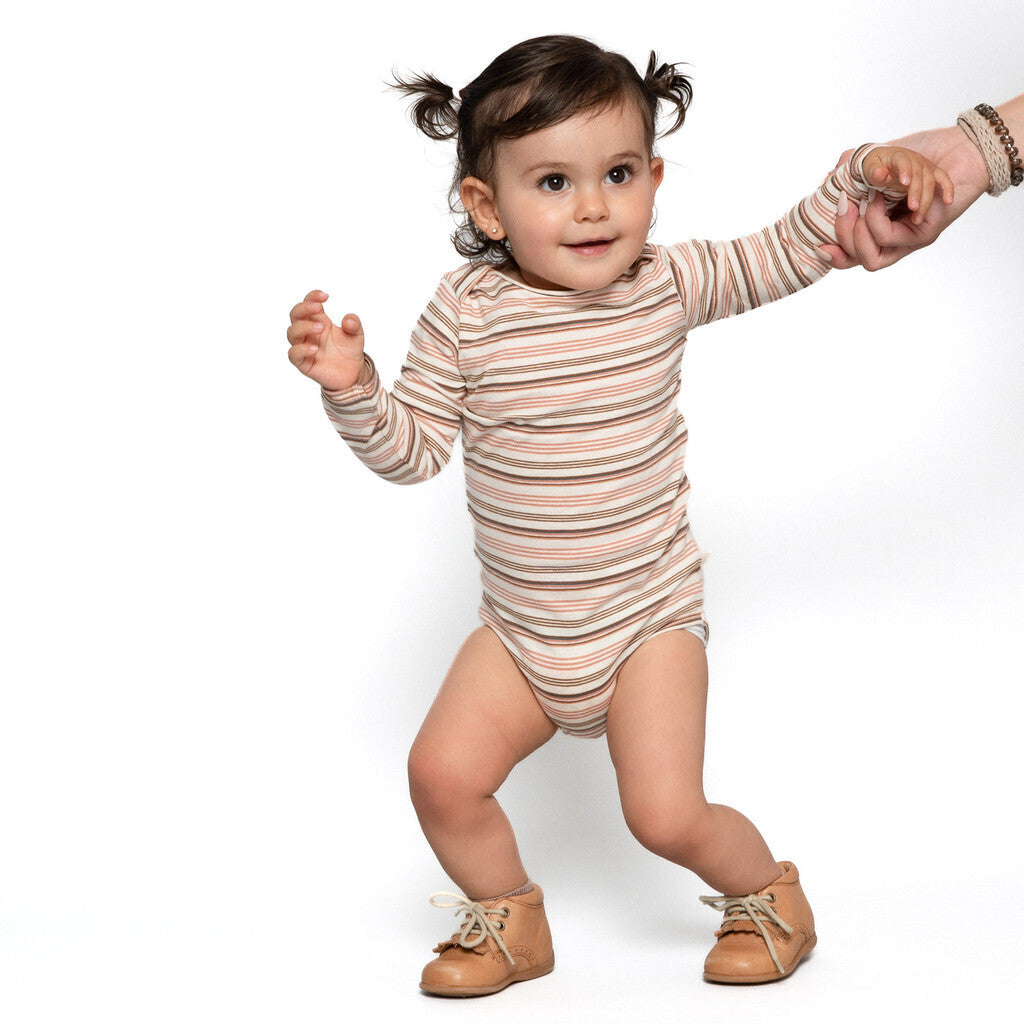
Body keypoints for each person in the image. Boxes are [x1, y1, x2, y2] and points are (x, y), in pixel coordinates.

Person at [285, 35, 1020, 996]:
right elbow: (412, 451)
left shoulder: (664, 283)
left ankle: (770, 897)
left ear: (654, 179)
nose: (594, 206)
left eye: (619, 174)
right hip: (521, 635)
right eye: (554, 182)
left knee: (665, 815)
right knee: (440, 775)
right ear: (486, 206)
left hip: (647, 622)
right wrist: (353, 389)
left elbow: (785, 250)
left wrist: (861, 175)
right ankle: (510, 919)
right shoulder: (465, 313)